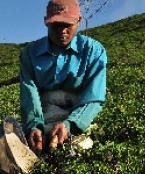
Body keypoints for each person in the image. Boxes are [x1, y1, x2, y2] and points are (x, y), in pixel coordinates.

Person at [19, 0, 107, 154]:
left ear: (78, 21)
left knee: (75, 153)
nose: (62, 31)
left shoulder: (94, 51)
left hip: (80, 115)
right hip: (44, 114)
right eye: (56, 26)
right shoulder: (30, 54)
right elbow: (30, 96)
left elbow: (94, 97)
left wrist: (69, 125)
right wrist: (34, 126)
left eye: (68, 25)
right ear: (46, 23)